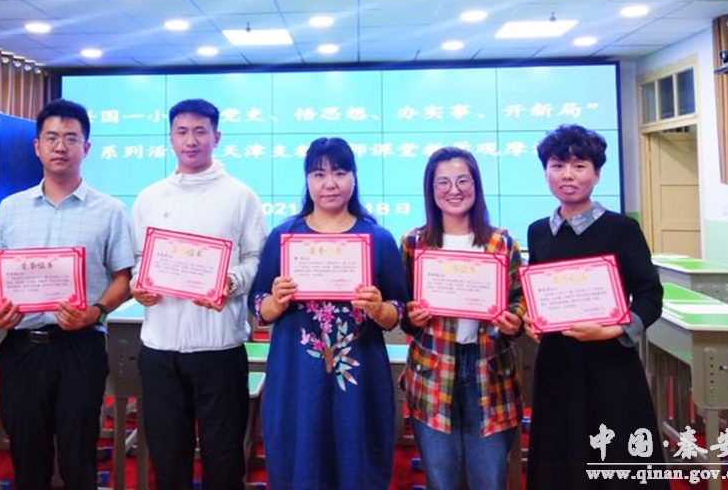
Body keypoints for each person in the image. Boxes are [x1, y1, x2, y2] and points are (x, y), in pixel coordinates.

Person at [0, 99, 133, 490]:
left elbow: (124, 278)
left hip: (80, 346)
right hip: (22, 347)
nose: (60, 146)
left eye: (71, 138)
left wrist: (96, 311)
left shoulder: (111, 210)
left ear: (87, 147)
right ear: (37, 146)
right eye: (51, 138)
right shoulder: (11, 208)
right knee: (26, 454)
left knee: (78, 453)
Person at [249, 136, 407, 490]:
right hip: (296, 373)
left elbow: (398, 310)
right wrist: (275, 302)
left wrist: (379, 308)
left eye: (339, 172)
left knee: (356, 455)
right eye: (318, 174)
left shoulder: (378, 238)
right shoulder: (284, 235)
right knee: (300, 454)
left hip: (360, 372)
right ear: (307, 180)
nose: (330, 183)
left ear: (354, 176)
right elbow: (257, 303)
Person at [130, 98, 267, 490]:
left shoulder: (241, 196)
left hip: (219, 348)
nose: (191, 140)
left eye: (200, 131)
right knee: (167, 458)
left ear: (216, 137)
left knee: (223, 459)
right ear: (171, 138)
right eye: (182, 132)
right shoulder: (149, 197)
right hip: (160, 349)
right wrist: (140, 283)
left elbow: (256, 258)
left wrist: (232, 281)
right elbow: (139, 259)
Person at [525, 124, 668, 489]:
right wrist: (531, 317)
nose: (567, 175)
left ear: (597, 173)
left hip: (610, 365)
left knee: (613, 459)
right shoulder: (538, 231)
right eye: (557, 165)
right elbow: (539, 291)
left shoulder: (622, 229)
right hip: (557, 364)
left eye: (579, 166)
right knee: (560, 456)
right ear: (545, 171)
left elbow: (650, 295)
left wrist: (615, 329)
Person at [400, 147, 524, 490]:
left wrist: (514, 320)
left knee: (490, 479)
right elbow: (403, 309)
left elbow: (519, 299)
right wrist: (412, 317)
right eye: (443, 182)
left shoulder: (501, 242)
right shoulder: (414, 243)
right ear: (431, 189)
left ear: (476, 185)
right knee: (442, 480)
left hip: (490, 371)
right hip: (432, 371)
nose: (454, 190)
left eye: (463, 181)